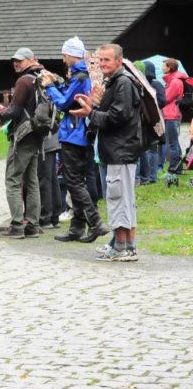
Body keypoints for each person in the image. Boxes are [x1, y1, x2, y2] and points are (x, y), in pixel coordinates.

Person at [70, 44, 142, 262]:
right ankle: (127, 246)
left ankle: (121, 247)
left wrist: (90, 113)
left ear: (119, 61)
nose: (102, 64)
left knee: (118, 199)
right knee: (124, 199)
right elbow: (113, 112)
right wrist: (93, 105)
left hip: (120, 151)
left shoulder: (123, 82)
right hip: (119, 151)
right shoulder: (117, 81)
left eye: (107, 60)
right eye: (100, 60)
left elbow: (118, 117)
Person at [43, 37, 109, 244]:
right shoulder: (84, 74)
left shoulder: (79, 76)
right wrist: (57, 83)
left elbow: (64, 103)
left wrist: (49, 87)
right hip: (84, 133)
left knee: (74, 181)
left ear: (72, 55)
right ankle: (77, 227)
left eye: (65, 55)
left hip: (74, 135)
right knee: (79, 180)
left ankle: (95, 222)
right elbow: (70, 96)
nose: (64, 60)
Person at [0, 48, 45, 239]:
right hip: (37, 134)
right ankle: (33, 225)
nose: (16, 63)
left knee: (12, 180)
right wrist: (6, 109)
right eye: (14, 60)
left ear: (30, 60)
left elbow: (15, 112)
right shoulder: (41, 78)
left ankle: (17, 225)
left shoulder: (24, 81)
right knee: (32, 181)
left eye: (20, 60)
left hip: (23, 137)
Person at [161, 58, 186, 175]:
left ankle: (172, 170)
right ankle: (178, 168)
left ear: (170, 67)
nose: (162, 67)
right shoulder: (171, 80)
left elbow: (166, 98)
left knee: (172, 144)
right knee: (175, 142)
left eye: (164, 65)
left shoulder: (175, 81)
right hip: (171, 114)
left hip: (172, 115)